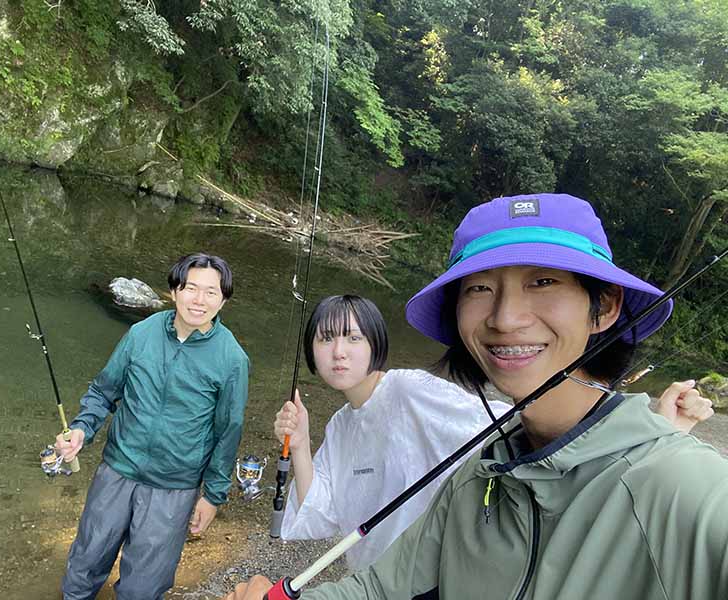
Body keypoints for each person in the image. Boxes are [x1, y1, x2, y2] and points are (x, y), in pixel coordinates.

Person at [225, 193, 726, 600]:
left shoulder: (687, 489)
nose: (506, 318)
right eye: (480, 288)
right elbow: (381, 586)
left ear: (606, 307)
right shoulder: (478, 476)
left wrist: (664, 426)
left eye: (544, 281)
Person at [273, 291, 714, 571]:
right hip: (370, 580)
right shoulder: (341, 424)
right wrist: (305, 444)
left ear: (376, 344)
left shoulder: (409, 390)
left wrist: (655, 423)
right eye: (325, 339)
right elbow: (321, 512)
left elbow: (515, 427)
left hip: (427, 575)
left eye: (353, 338)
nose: (338, 353)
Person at [55, 253, 250, 600]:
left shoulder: (232, 359)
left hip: (174, 488)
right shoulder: (141, 333)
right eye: (191, 288)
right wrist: (82, 429)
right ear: (174, 290)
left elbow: (227, 433)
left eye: (210, 292)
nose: (199, 300)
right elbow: (104, 391)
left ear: (223, 301)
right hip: (117, 470)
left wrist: (212, 496)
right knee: (84, 565)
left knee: (142, 588)